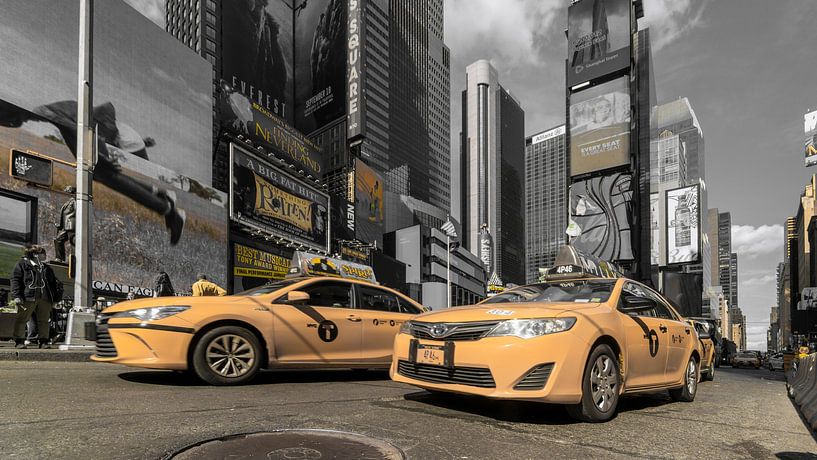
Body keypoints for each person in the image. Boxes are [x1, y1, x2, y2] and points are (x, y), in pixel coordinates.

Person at [0, 99, 186, 245]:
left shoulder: (44, 112)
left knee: (106, 176)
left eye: (15, 119)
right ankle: (162, 197)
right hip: (81, 125)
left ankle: (169, 211)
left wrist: (99, 155)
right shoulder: (45, 111)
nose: (21, 122)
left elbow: (78, 127)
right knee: (104, 176)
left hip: (82, 126)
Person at [10, 245, 62, 349]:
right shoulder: (22, 265)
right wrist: (17, 296)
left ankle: (44, 341)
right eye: (43, 253)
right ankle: (19, 341)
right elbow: (15, 280)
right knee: (22, 319)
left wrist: (56, 299)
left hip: (45, 298)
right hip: (28, 297)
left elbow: (53, 284)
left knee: (44, 321)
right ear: (35, 254)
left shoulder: (46, 268)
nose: (45, 255)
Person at [54, 186, 76, 262]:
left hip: (71, 226)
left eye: (67, 191)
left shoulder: (75, 201)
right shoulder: (68, 202)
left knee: (73, 243)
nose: (65, 193)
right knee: (58, 239)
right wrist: (60, 225)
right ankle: (60, 258)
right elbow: (64, 214)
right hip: (65, 226)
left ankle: (74, 261)